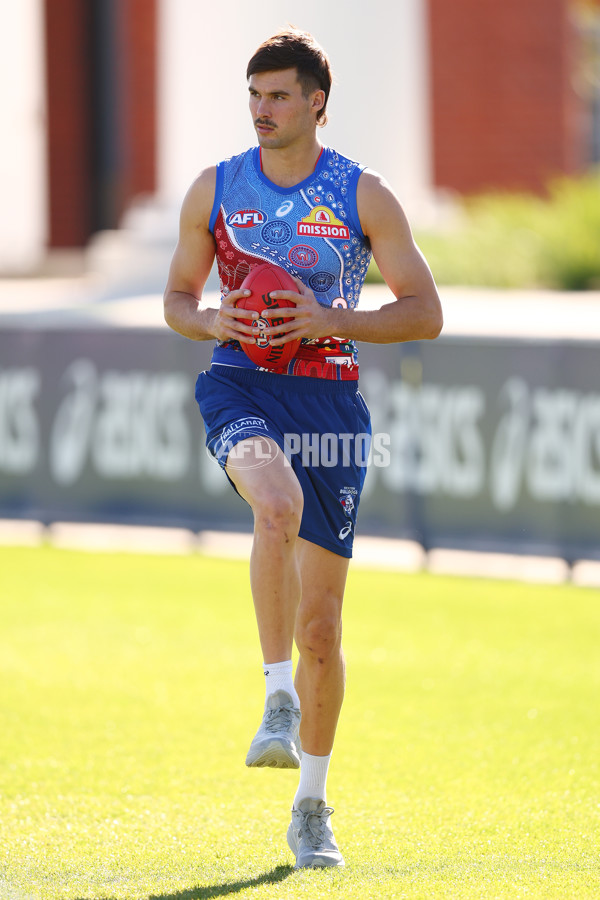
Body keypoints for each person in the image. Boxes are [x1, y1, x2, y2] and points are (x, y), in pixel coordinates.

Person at [164, 28, 443, 869]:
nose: (262, 109)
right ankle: (274, 696)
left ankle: (312, 805)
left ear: (316, 101)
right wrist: (210, 318)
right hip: (239, 384)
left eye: (279, 95)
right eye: (254, 95)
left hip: (328, 401)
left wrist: (334, 319)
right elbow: (178, 296)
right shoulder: (217, 188)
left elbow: (423, 311)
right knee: (273, 504)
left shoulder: (363, 194)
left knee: (323, 627)